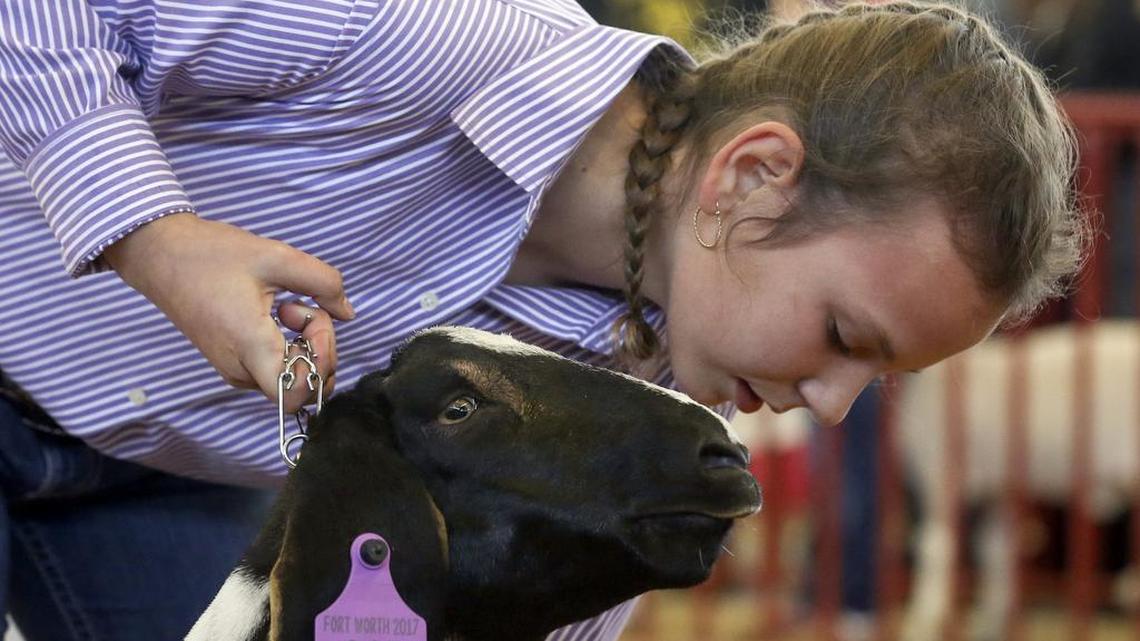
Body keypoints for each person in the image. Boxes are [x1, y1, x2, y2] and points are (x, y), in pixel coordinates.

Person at [0, 0, 1085, 639]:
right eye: (847, 336)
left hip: (147, 481)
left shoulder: (633, 411)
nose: (833, 404)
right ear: (754, 174)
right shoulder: (414, 29)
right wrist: (151, 232)